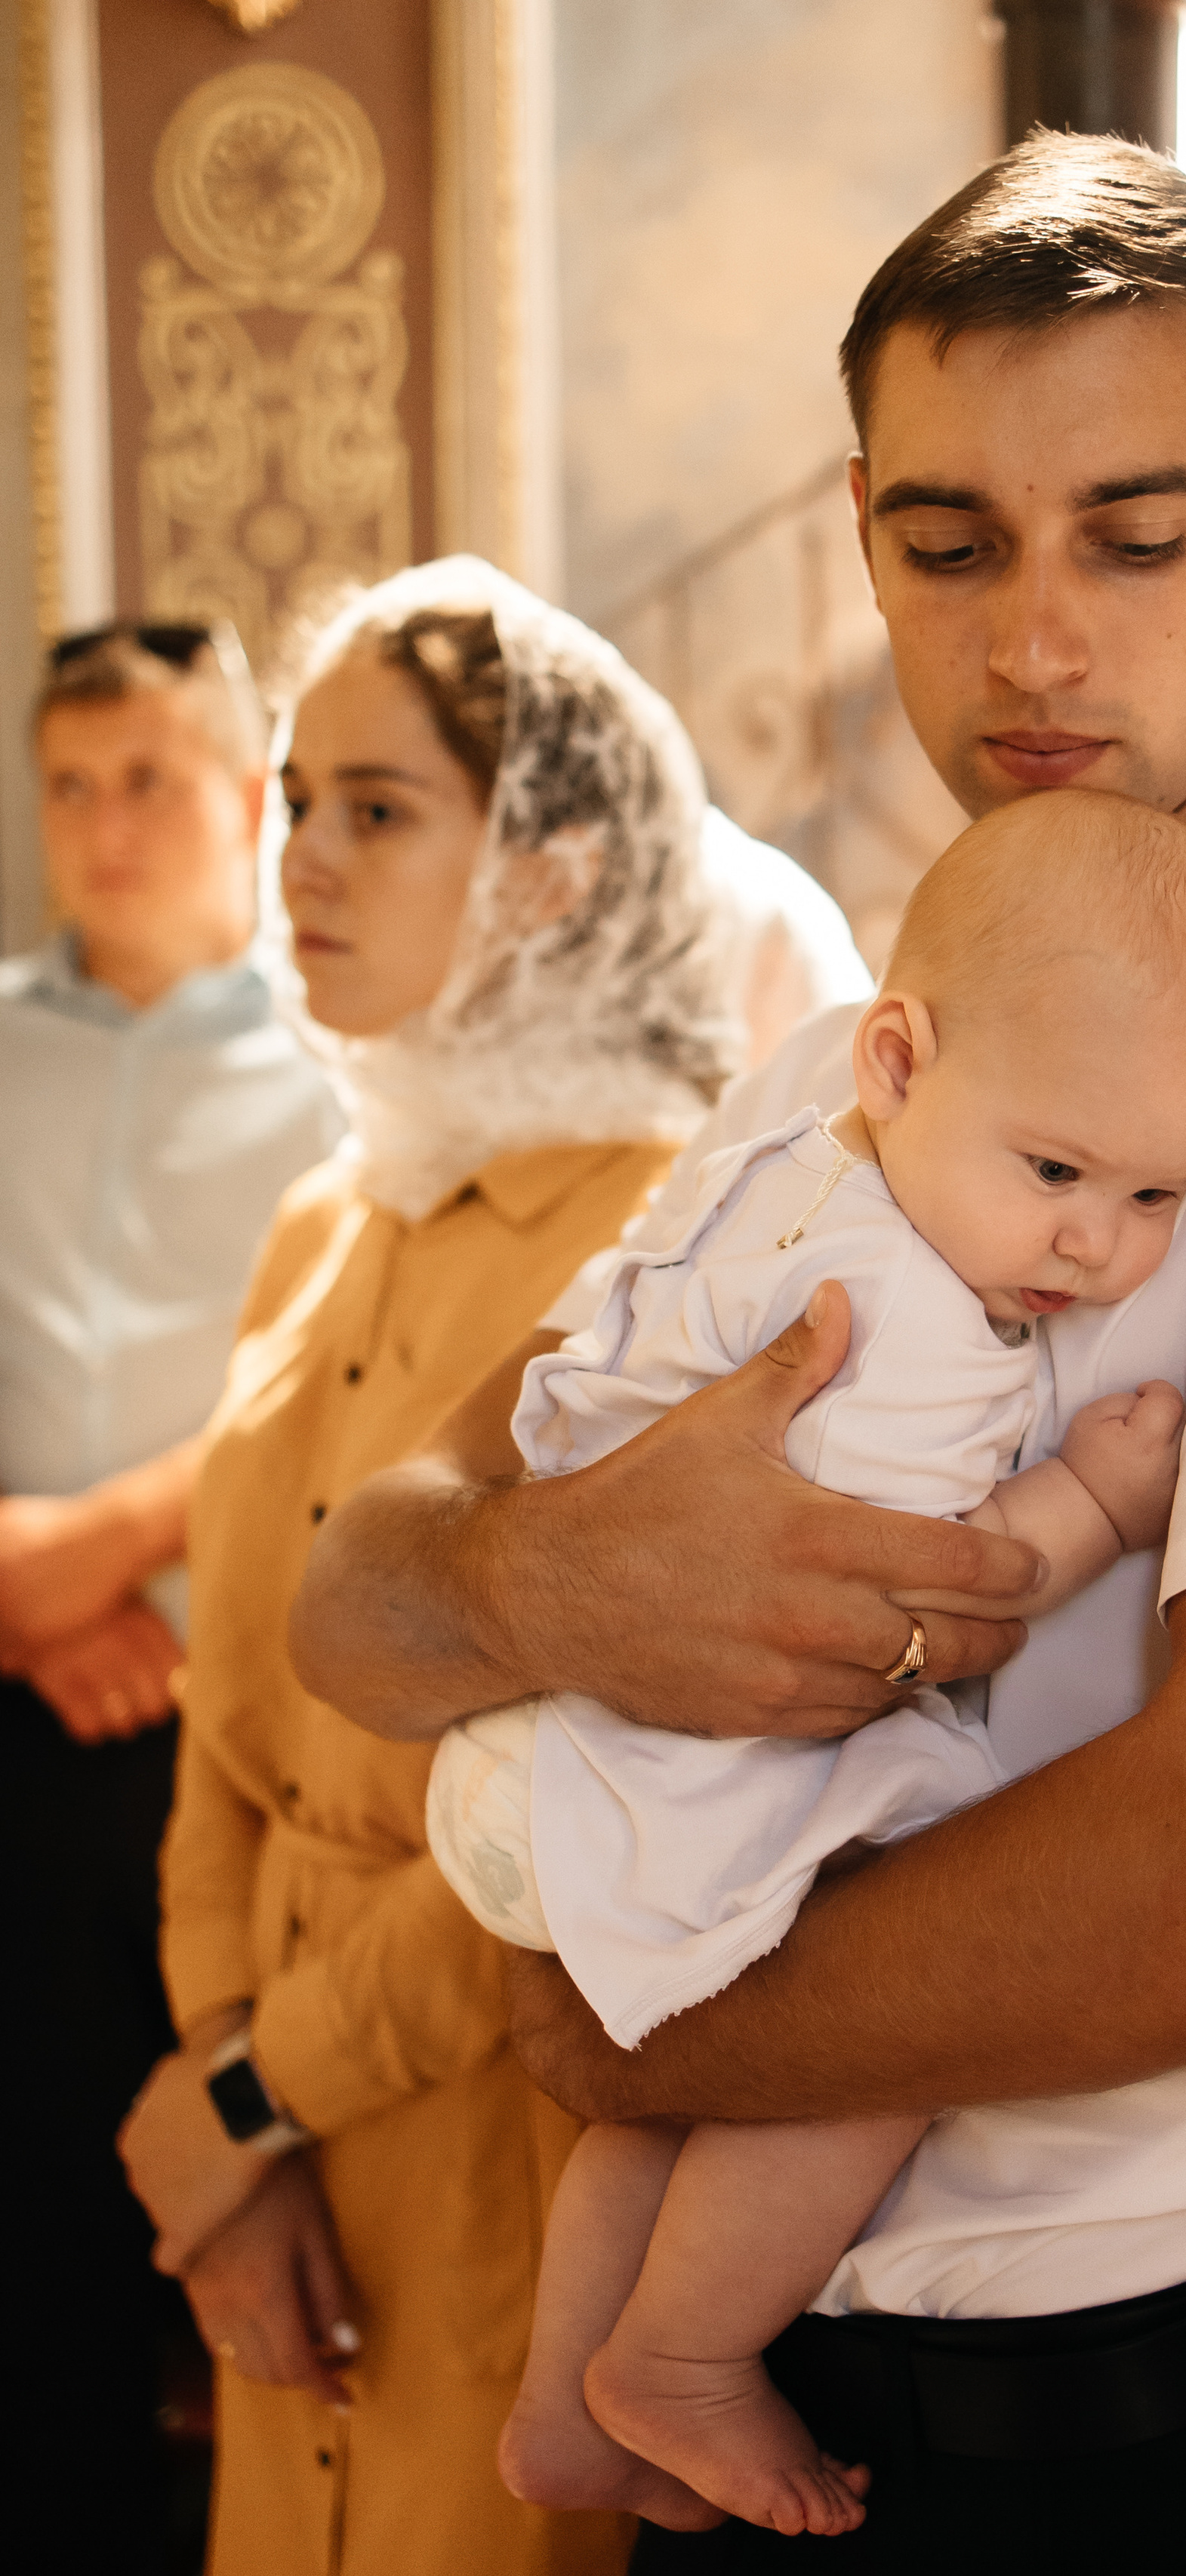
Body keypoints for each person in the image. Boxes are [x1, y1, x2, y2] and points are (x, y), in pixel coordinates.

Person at [294, 137, 1186, 2568]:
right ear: (864, 537)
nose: (1032, 640)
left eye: (1134, 540)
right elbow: (363, 1589)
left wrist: (632, 2012)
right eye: (949, 545)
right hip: (742, 2398)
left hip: (1140, 2425)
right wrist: (564, 1580)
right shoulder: (849, 1051)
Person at [431, 791, 1186, 2537]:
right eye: (1055, 1172)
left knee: (674, 2083)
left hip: (553, 1751)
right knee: (881, 2031)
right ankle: (679, 2360)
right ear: (894, 1057)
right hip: (681, 1767)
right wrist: (1095, 1500)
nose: (1094, 1244)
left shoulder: (784, 1166)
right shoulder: (900, 1328)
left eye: (1152, 1196)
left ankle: (565, 2408)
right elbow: (932, 1592)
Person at [113, 556, 806, 2576]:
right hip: (269, 2124)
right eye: (296, 798)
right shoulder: (322, 1220)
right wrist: (230, 2097)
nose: (304, 855)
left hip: (511, 2122)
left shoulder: (673, 1244)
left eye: (380, 807)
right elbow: (228, 1725)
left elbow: (600, 1794)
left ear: (554, 873)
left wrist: (257, 2091)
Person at [1, 621, 340, 2574]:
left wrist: (105, 1547)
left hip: (247, 1720)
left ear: (243, 797)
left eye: (148, 778)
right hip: (16, 1705)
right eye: (69, 782)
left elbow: (342, 1390)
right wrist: (23, 1594)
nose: (105, 822)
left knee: (261, 2228)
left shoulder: (339, 1069)